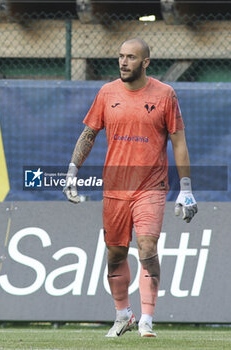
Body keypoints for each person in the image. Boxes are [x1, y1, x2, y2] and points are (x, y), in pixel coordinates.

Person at [63, 38, 198, 338]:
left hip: (151, 187)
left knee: (148, 247)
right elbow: (89, 133)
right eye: (121, 57)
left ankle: (147, 319)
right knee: (115, 254)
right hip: (114, 189)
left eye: (131, 57)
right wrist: (73, 170)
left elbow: (179, 142)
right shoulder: (106, 92)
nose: (124, 62)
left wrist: (186, 188)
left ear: (146, 62)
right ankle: (123, 314)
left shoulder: (165, 94)